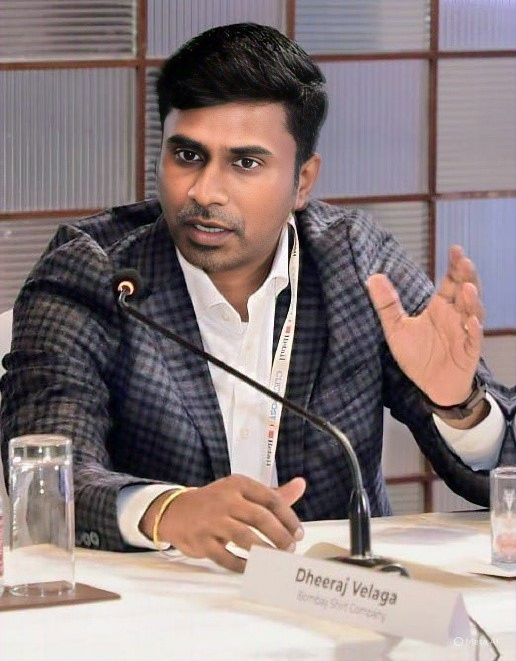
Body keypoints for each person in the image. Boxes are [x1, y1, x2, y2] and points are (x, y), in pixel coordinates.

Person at [1, 23, 513, 572]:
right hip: (157, 595)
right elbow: (46, 471)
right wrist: (166, 510)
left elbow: (499, 475)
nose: (205, 192)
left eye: (245, 163)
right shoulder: (95, 272)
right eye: (187, 155)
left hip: (338, 597)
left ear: (303, 181)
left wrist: (459, 406)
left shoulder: (357, 265)